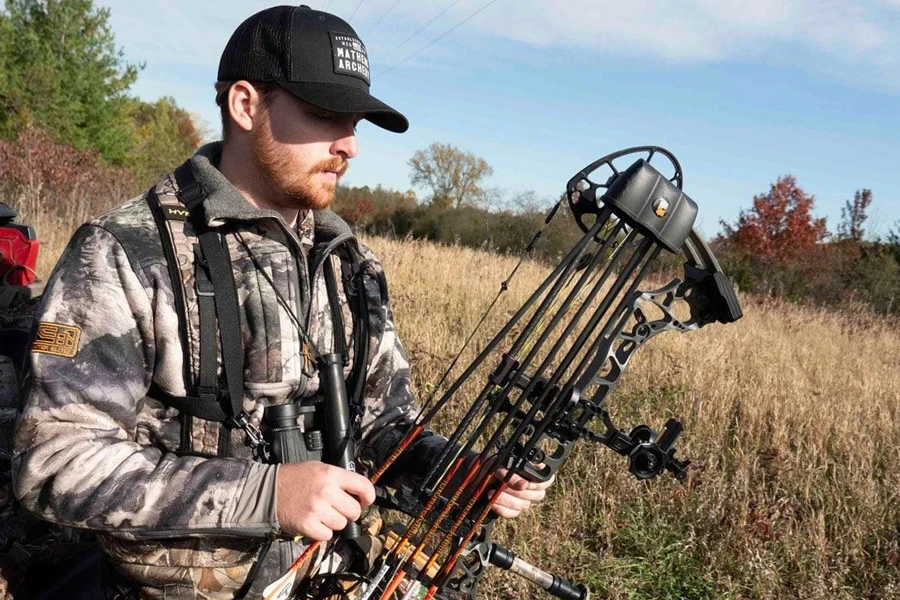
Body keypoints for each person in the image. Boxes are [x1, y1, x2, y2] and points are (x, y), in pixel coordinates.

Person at [11, 5, 552, 599]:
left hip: (333, 576)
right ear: (245, 105)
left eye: (355, 123)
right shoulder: (123, 254)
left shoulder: (348, 262)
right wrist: (266, 495)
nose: (349, 145)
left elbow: (386, 425)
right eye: (325, 116)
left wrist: (456, 475)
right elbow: (57, 462)